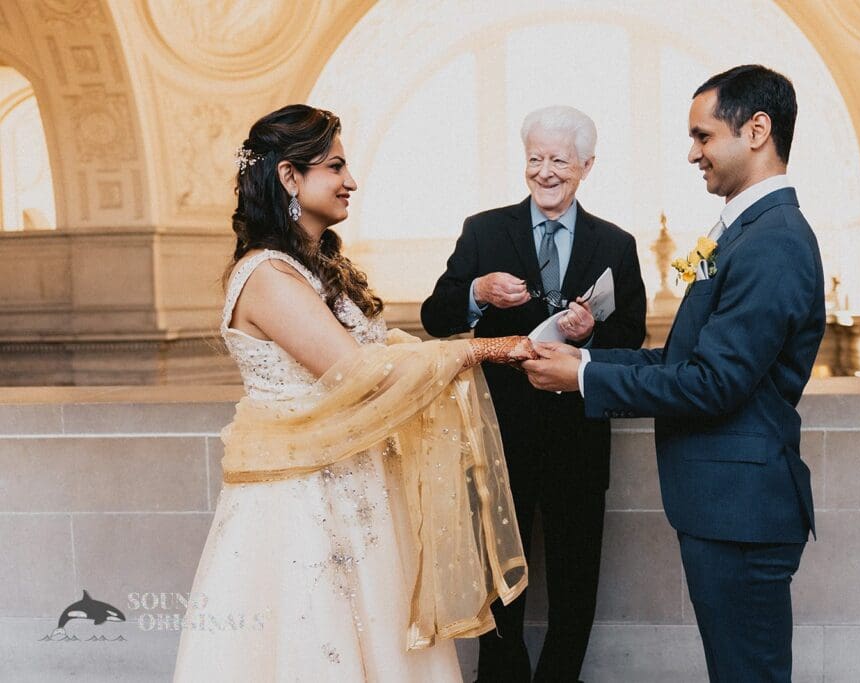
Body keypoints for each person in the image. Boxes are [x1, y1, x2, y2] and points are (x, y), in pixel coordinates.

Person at [174, 104, 537, 682]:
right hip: (301, 504)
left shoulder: (316, 267)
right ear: (290, 178)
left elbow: (382, 349)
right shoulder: (267, 275)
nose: (351, 181)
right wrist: (483, 349)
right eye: (335, 167)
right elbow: (359, 372)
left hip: (356, 490)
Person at [522, 65, 825, 682]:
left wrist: (582, 381)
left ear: (757, 130)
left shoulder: (774, 240)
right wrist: (582, 360)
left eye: (703, 136)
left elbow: (713, 383)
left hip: (741, 510)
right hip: (724, 508)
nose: (694, 154)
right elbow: (684, 360)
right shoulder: (747, 232)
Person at [421, 105, 647, 683]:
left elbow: (633, 338)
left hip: (579, 445)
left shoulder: (616, 245)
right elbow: (435, 317)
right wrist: (477, 291)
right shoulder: (484, 231)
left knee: (574, 598)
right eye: (534, 159)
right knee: (501, 599)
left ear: (587, 166)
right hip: (497, 445)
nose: (545, 172)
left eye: (559, 161)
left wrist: (590, 334)